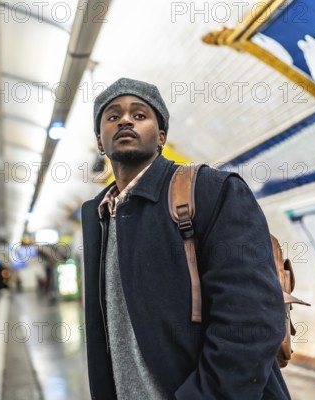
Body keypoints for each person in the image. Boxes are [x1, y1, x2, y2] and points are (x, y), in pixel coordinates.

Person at [81, 78, 289, 399]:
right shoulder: (97, 216)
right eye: (112, 116)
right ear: (99, 140)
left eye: (139, 115)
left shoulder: (210, 190)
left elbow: (252, 321)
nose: (125, 120)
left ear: (161, 136)